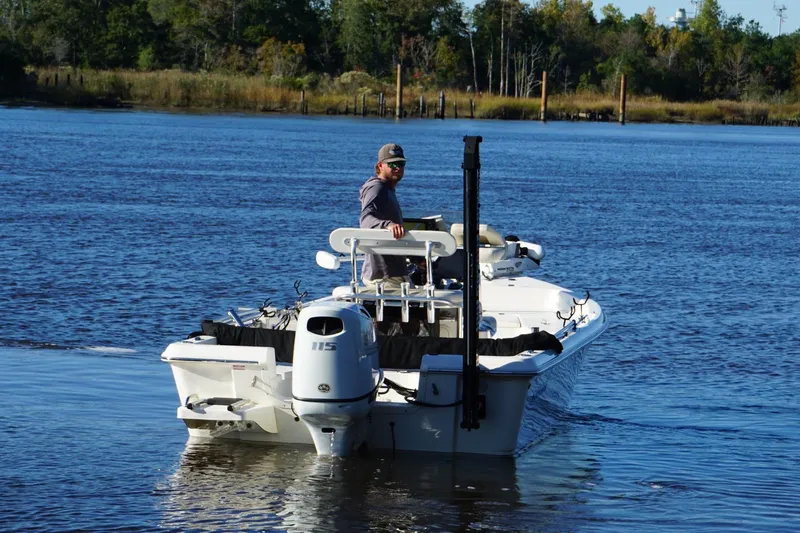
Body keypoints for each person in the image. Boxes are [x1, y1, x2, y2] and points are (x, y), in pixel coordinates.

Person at [359, 143, 410, 289]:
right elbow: (365, 219)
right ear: (380, 166)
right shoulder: (376, 188)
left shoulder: (387, 189)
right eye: (392, 165)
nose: (398, 168)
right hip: (385, 276)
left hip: (393, 272)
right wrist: (388, 225)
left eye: (401, 164)